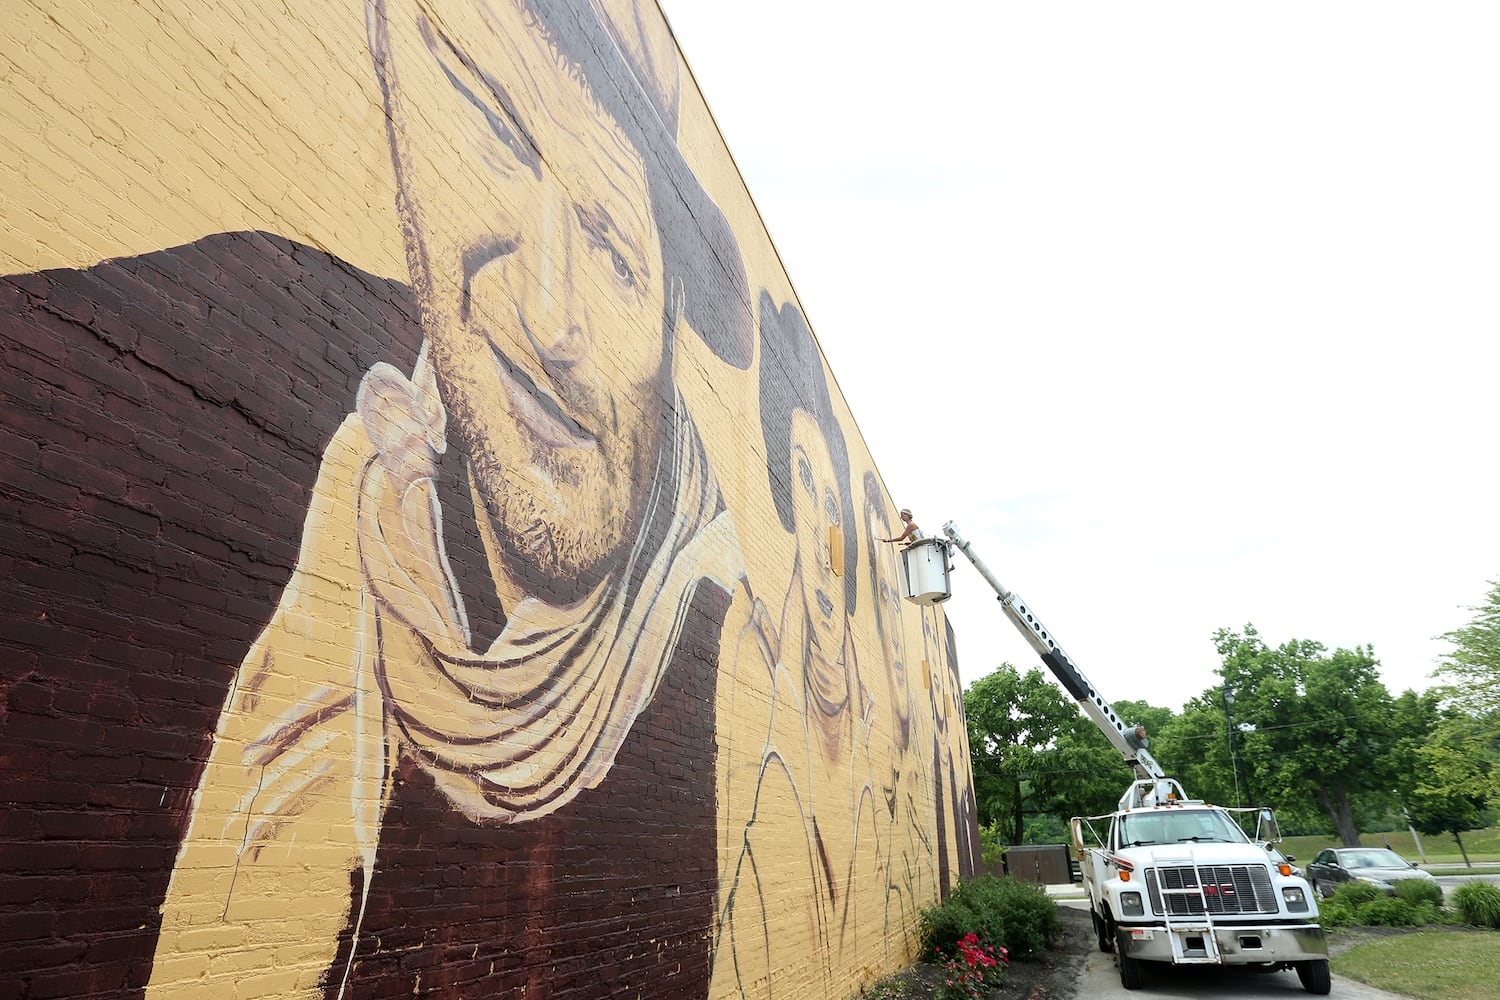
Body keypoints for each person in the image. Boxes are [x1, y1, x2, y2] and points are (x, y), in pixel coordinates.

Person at [143, 1, 754, 996]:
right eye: (497, 135)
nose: (552, 315)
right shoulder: (168, 379)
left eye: (612, 248)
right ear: (396, 101)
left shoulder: (719, 634)